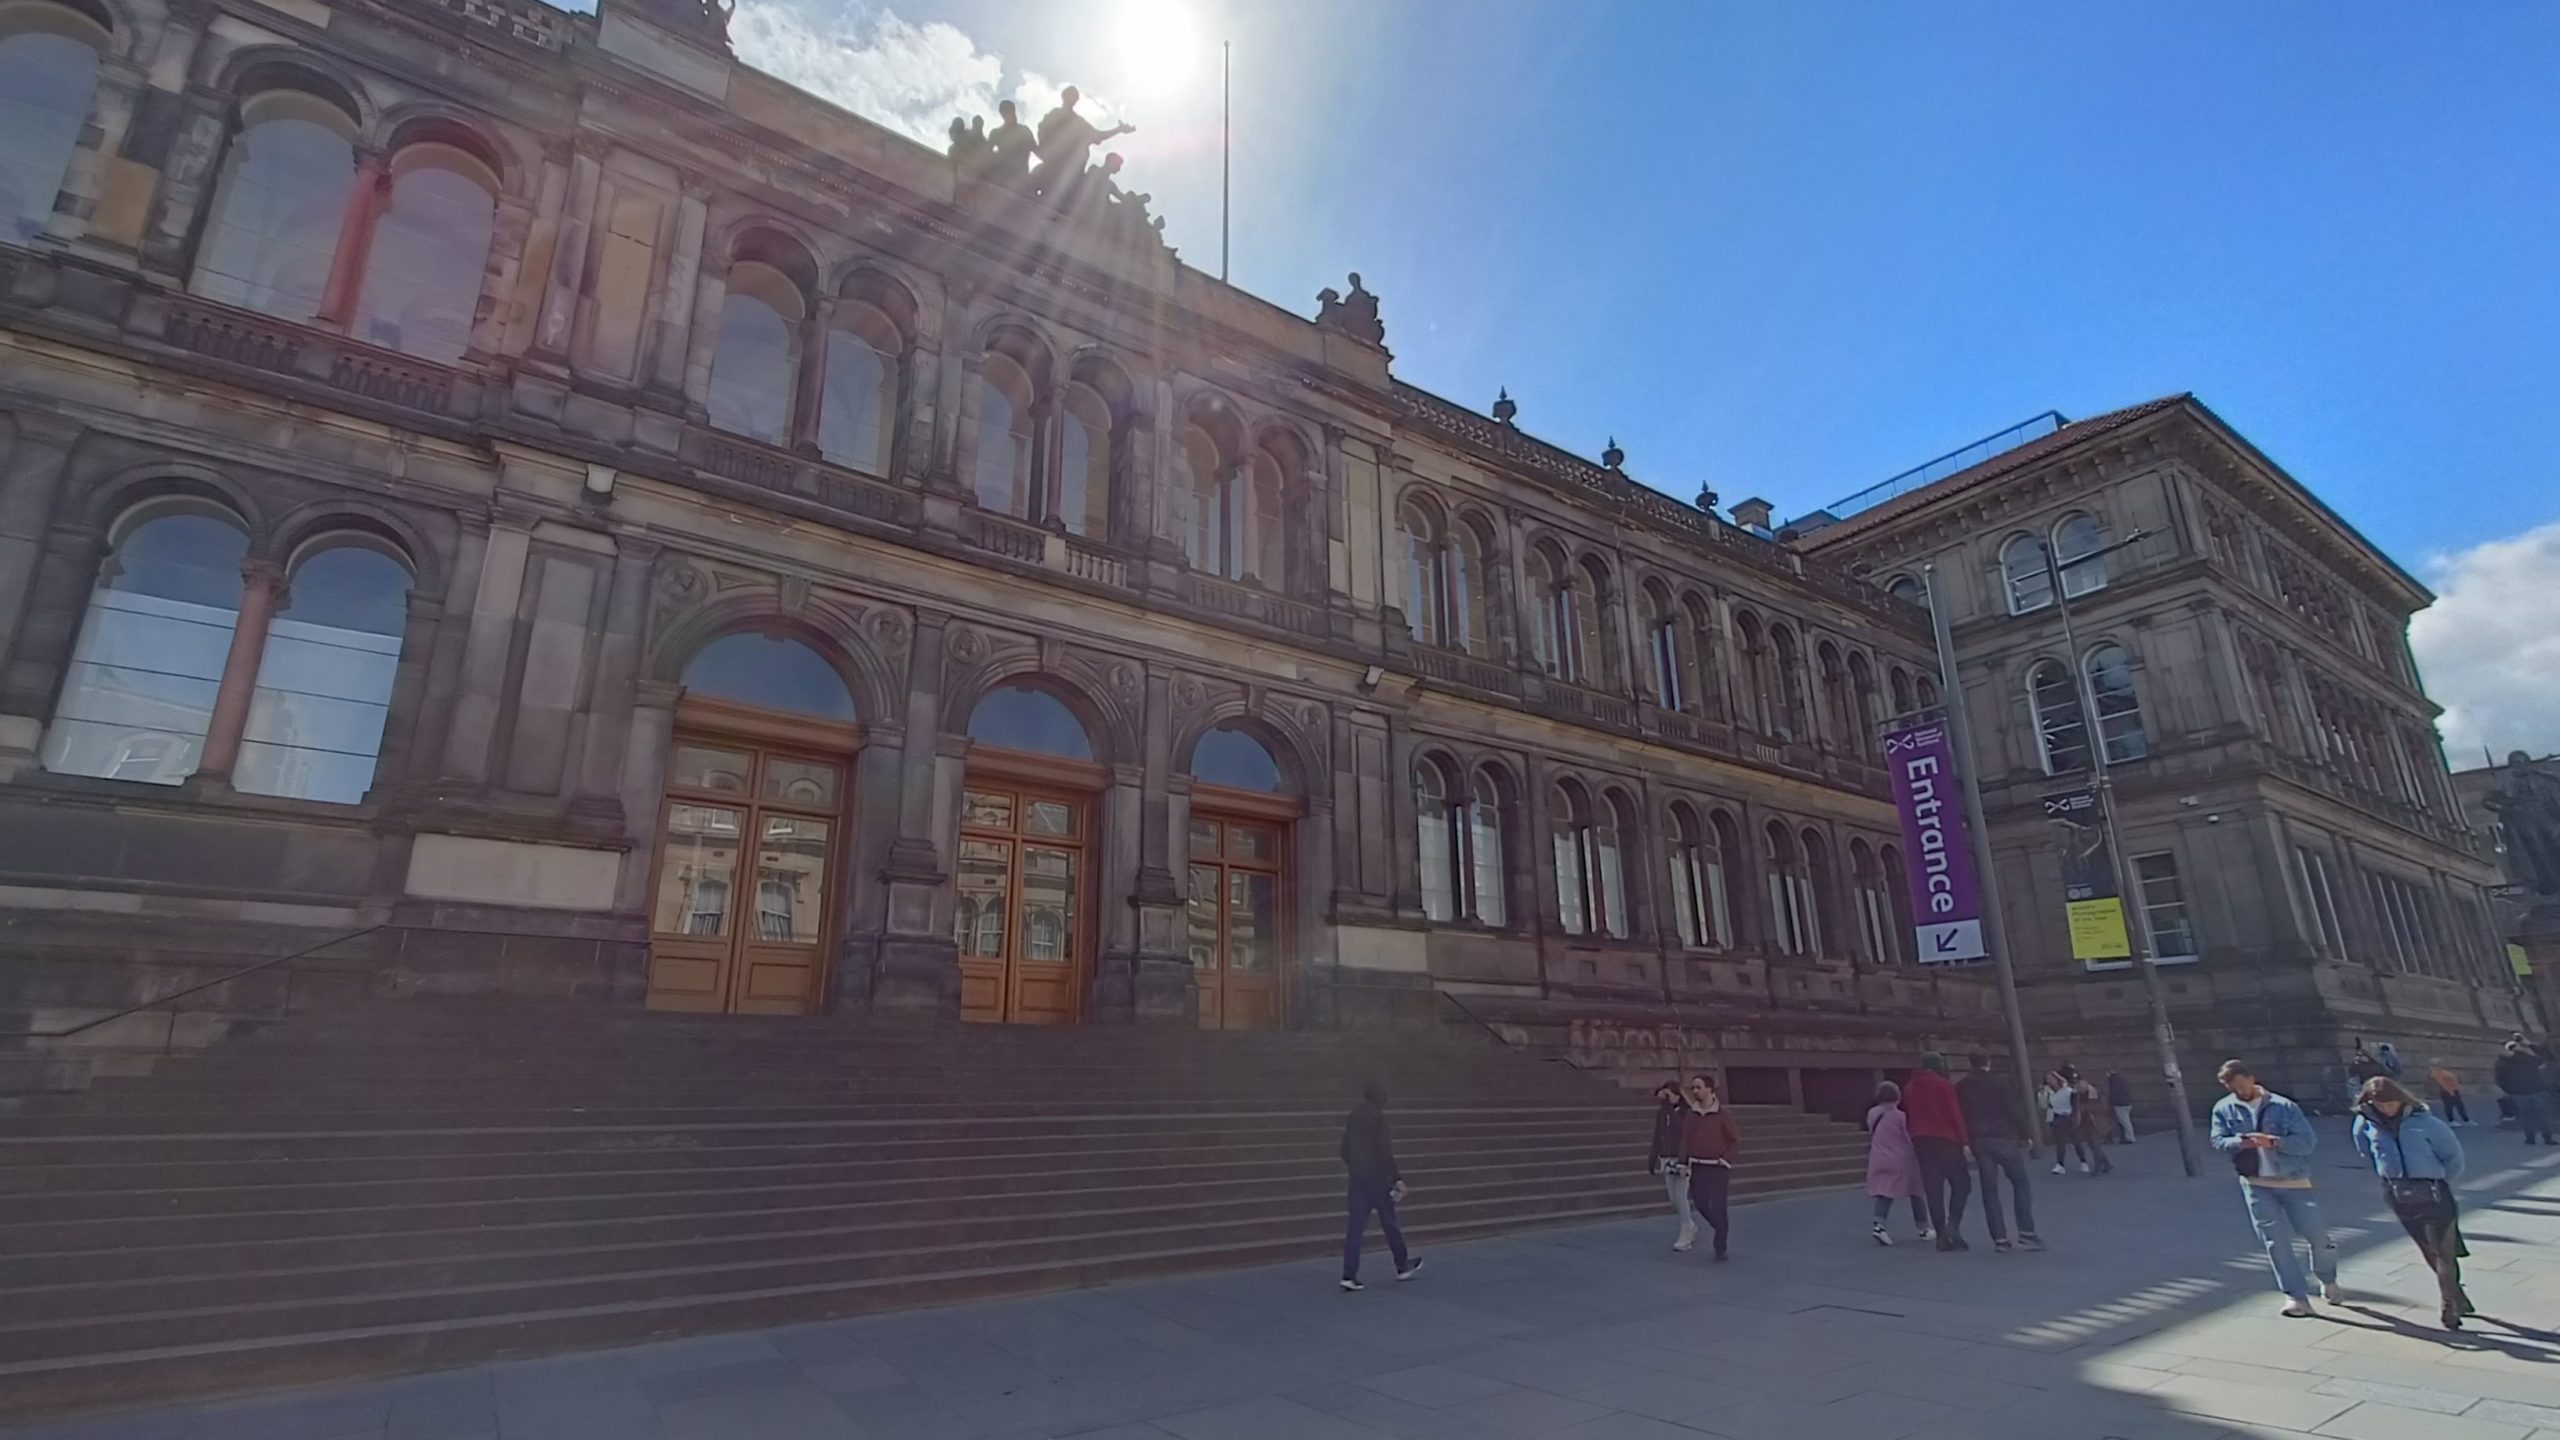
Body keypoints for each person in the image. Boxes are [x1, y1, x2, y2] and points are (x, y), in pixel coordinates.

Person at [2211, 1060, 2341, 1317]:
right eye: (2233, 1089)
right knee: (2275, 1242)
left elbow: (2306, 1143)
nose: (2239, 1092)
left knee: (2317, 1236)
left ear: (2251, 1078)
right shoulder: (2224, 1109)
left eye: (2241, 1086)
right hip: (2255, 1183)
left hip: (2294, 1181)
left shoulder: (2284, 1107)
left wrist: (2274, 1142)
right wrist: (2240, 1142)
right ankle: (2295, 1296)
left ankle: (2328, 1279)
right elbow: (2217, 1140)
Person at [2351, 1076, 2474, 1330]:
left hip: (2434, 1193)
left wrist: (2437, 1179)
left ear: (2401, 1098)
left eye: (2391, 1102)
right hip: (2399, 1194)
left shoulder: (2426, 1123)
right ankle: (2458, 1295)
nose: (2387, 1108)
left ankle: (2449, 1306)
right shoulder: (2365, 1123)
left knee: (2444, 1252)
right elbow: (2365, 1150)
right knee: (2428, 1250)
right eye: (2380, 1104)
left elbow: (2454, 1158)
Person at [1338, 1081, 1421, 1291]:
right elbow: (1383, 1151)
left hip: (1357, 1178)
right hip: (1376, 1179)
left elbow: (1344, 1149)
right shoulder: (1379, 1117)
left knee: (1355, 1228)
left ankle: (1349, 1274)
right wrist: (1396, 1178)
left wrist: (1355, 1167)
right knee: (1389, 1221)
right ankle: (1402, 1265)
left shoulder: (1354, 1115)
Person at [1958, 1052, 2043, 1252]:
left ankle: (2000, 1239)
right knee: (2020, 1182)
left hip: (1979, 1140)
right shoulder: (2000, 1082)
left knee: (1990, 1190)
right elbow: (2013, 1110)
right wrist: (2025, 1135)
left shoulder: (1962, 1086)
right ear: (1988, 1063)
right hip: (2004, 1138)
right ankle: (2026, 1233)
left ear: (1970, 1063)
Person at [1903, 1052, 1973, 1251]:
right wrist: (1964, 1141)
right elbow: (1954, 1113)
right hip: (1946, 1139)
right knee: (1962, 1183)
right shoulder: (1944, 1085)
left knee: (1933, 1189)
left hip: (1921, 1140)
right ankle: (1953, 1225)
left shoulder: (1909, 1087)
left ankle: (1941, 1235)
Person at [1677, 1073, 1742, 1261]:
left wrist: (1725, 1159)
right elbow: (1685, 1140)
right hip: (1697, 1166)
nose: (1695, 1091)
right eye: (1694, 1088)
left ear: (1709, 1090)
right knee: (1700, 1203)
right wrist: (1682, 1162)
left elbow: (1735, 1140)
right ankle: (1719, 1228)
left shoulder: (1723, 1115)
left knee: (1719, 1206)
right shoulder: (1692, 1114)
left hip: (1717, 1167)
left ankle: (1720, 1245)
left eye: (1698, 1087)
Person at [1030, 86, 1135, 199]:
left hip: (1072, 173)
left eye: (1074, 97)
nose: (1072, 99)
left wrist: (1118, 130)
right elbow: (1043, 133)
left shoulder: (1079, 122)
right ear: (1064, 97)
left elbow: (1098, 136)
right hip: (1054, 166)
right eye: (1070, 96)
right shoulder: (1055, 115)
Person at [1863, 1081, 1929, 1246]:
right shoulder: (1900, 1116)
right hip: (1901, 1158)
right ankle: (1923, 1227)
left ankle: (1879, 1225)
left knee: (1884, 1192)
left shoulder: (1872, 1113)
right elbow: (1907, 1137)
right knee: (1916, 1191)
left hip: (1878, 1156)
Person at [1647, 1079, 1696, 1252]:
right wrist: (1652, 1157)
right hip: (1666, 1158)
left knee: (1681, 1195)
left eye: (1670, 1094)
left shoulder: (1686, 1112)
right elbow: (1657, 1134)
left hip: (1682, 1158)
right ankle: (1689, 1223)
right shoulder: (1662, 1112)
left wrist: (1669, 1108)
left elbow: (1681, 1129)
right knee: (1673, 1197)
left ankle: (1685, 1231)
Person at [2496, 1040, 2555, 1145]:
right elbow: (2544, 1057)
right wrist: (2528, 1044)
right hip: (2537, 1091)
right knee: (2543, 1115)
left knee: (2527, 1116)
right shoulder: (2528, 1058)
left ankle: (2530, 1138)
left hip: (2519, 1093)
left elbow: (2500, 1079)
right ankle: (2547, 1138)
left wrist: (2510, 1091)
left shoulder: (2503, 1062)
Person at [2040, 1069, 2091, 1174]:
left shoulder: (2067, 1090)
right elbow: (2044, 1105)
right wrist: (2042, 1094)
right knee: (2060, 1143)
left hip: (2069, 1117)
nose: (2050, 1081)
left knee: (2076, 1141)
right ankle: (2060, 1164)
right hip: (2058, 1118)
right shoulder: (2048, 1093)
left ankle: (2083, 1162)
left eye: (2052, 1079)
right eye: (2048, 1079)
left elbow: (2075, 1103)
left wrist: (2076, 1117)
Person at [2069, 1068, 2115, 1174]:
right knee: (2091, 1145)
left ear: (2085, 1082)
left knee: (2096, 1145)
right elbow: (2075, 1108)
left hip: (2096, 1122)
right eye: (2076, 1084)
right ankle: (2107, 1164)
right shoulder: (2077, 1095)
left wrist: (2086, 1107)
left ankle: (2097, 1166)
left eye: (2079, 1083)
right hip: (2084, 1122)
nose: (2078, 1086)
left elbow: (2103, 1107)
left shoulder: (2096, 1092)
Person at [985, 100, 1034, 183]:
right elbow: (987, 156)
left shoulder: (1024, 131)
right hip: (1003, 179)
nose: (1011, 114)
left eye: (1011, 110)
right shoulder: (996, 133)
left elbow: (1037, 150)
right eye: (1007, 112)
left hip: (1022, 179)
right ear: (1002, 115)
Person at [2430, 1059, 2472, 1126]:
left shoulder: (2443, 1072)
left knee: (2460, 1105)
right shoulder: (2436, 1074)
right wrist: (2450, 1091)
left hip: (2454, 1090)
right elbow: (2442, 1084)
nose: (2441, 1065)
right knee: (2449, 1106)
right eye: (2439, 1064)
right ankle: (2451, 1120)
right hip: (2447, 1091)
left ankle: (2466, 1120)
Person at [2106, 1070, 2136, 1144]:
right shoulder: (2122, 1081)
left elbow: (2113, 1093)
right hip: (2127, 1103)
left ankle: (2130, 1138)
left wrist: (2111, 1102)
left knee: (2124, 1122)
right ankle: (2126, 1137)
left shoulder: (2114, 1082)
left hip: (2120, 1104)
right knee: (2125, 1121)